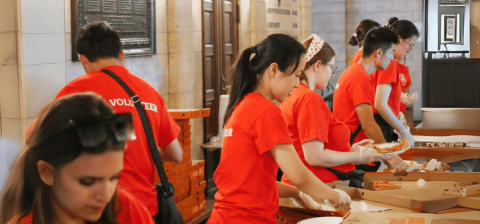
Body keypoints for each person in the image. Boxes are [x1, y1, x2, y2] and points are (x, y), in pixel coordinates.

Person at [25, 21, 183, 220]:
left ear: (83, 60)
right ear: (121, 55)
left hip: (103, 210)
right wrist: (141, 147)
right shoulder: (149, 92)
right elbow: (176, 154)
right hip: (145, 210)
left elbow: (33, 137)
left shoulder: (78, 90)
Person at [208, 34, 351, 224]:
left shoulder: (243, 105)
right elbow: (299, 175)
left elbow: (254, 180)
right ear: (274, 69)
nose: (295, 84)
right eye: (295, 75)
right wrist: (334, 196)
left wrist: (296, 193)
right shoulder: (265, 110)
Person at [0, 92, 154, 224]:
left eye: (114, 177)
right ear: (46, 172)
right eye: (87, 181)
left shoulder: (127, 210)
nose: (106, 195)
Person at [279, 34, 385, 188]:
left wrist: (350, 149)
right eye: (331, 67)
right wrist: (357, 156)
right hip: (319, 186)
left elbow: (308, 145)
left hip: (309, 184)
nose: (331, 74)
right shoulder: (308, 99)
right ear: (317, 65)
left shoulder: (294, 94)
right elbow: (314, 156)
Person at [333, 27, 399, 172]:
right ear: (379, 53)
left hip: (353, 148)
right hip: (356, 154)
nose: (392, 58)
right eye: (391, 53)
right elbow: (368, 125)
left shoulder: (354, 72)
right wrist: (390, 156)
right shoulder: (359, 77)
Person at [371, 17, 419, 145]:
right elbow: (380, 104)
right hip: (379, 121)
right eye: (410, 45)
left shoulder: (383, 59)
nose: (409, 50)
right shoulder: (389, 62)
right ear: (399, 39)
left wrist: (400, 96)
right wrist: (403, 130)